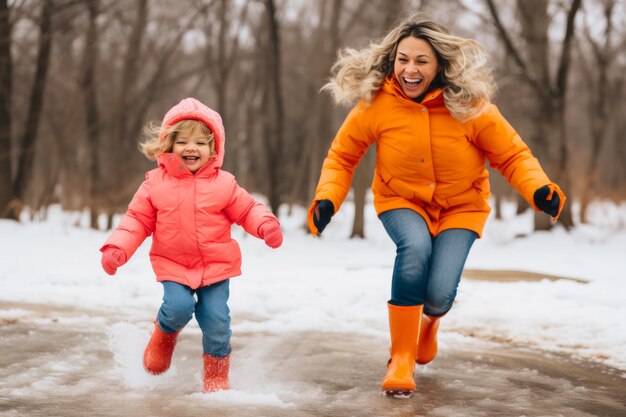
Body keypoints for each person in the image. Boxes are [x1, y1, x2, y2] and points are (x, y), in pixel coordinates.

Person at [307, 14, 566, 398]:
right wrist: (328, 198)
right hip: (400, 199)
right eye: (403, 59)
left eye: (421, 61)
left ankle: (429, 323)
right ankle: (401, 357)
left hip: (462, 206)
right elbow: (343, 156)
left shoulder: (470, 106)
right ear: (392, 61)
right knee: (414, 250)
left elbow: (511, 155)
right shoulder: (375, 104)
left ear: (440, 65)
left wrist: (539, 188)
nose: (410, 69)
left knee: (441, 293)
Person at [100, 97, 283, 393]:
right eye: (182, 141)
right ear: (168, 145)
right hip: (174, 264)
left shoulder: (224, 184)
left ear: (214, 148)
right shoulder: (154, 184)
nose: (191, 148)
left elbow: (247, 209)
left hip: (214, 266)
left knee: (217, 321)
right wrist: (117, 248)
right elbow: (136, 220)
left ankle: (216, 377)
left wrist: (265, 225)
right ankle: (163, 336)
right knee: (177, 307)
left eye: (200, 142)